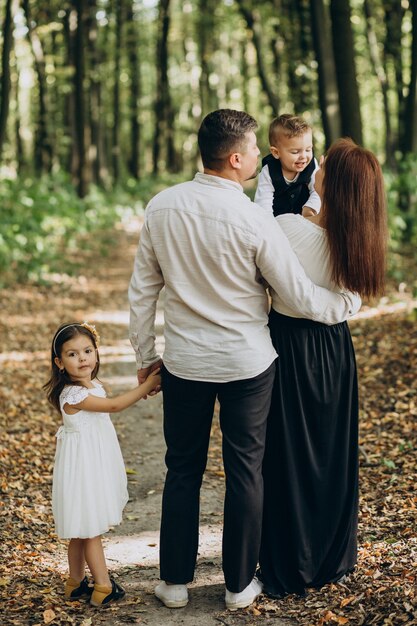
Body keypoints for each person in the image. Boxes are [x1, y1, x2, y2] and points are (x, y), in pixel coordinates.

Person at [128, 109, 361, 611]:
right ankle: (237, 586)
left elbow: (142, 291)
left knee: (182, 469)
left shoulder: (162, 206)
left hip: (186, 362)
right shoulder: (256, 218)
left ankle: (173, 583)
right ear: (236, 158)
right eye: (256, 149)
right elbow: (295, 295)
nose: (260, 156)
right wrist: (344, 305)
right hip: (247, 364)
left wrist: (147, 355)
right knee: (245, 471)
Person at [259, 138, 387, 598]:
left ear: (334, 185)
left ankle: (290, 557)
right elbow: (349, 302)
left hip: (289, 347)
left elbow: (267, 290)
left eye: (326, 163)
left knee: (288, 452)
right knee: (330, 452)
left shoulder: (289, 228)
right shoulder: (358, 243)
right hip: (335, 352)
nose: (318, 163)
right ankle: (331, 554)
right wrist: (331, 307)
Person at [43, 322, 161, 607]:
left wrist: (143, 389)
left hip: (91, 462)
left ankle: (75, 582)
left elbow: (111, 403)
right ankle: (103, 586)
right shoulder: (74, 394)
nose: (82, 358)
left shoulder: (91, 385)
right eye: (72, 354)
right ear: (59, 362)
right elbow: (115, 406)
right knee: (90, 528)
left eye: (87, 350)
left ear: (96, 352)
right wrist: (148, 384)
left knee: (80, 530)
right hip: (83, 469)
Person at [255, 113, 321, 218]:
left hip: (304, 218)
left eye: (308, 150)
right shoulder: (269, 171)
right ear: (276, 152)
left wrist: (311, 207)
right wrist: (269, 224)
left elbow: (319, 190)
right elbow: (263, 202)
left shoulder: (311, 166)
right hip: (278, 221)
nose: (303, 156)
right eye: (295, 152)